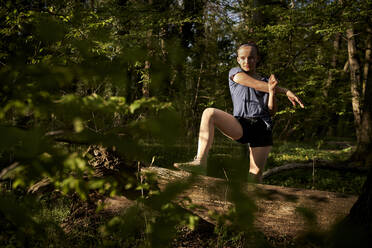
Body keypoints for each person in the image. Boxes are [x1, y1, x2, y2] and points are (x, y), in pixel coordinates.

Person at [174, 42, 304, 182]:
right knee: (209, 113)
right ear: (238, 59)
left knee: (255, 176)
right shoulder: (235, 73)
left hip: (262, 128)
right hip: (241, 124)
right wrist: (285, 91)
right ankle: (200, 162)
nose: (246, 61)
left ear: (257, 58)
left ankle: (253, 201)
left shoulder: (267, 82)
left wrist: (272, 93)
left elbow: (271, 112)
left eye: (251, 57)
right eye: (242, 58)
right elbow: (253, 84)